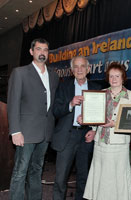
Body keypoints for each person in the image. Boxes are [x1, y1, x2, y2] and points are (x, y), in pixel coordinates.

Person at [7, 38, 59, 200]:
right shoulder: (20, 73)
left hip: (45, 132)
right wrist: (15, 131)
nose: (42, 53)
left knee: (37, 169)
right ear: (31, 52)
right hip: (25, 132)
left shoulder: (54, 75)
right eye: (38, 49)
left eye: (45, 50)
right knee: (20, 171)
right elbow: (13, 103)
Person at [80, 62, 131, 200]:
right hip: (101, 143)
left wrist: (114, 124)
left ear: (123, 78)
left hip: (119, 144)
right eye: (111, 76)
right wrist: (87, 121)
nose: (114, 79)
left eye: (117, 76)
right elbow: (94, 117)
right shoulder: (101, 94)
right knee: (100, 178)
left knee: (117, 179)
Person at [51, 56, 101, 200]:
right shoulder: (64, 86)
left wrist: (93, 129)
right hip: (68, 135)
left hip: (86, 136)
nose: (80, 69)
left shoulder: (96, 89)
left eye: (83, 66)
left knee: (83, 177)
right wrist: (71, 104)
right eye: (76, 67)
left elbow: (100, 114)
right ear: (72, 70)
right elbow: (56, 111)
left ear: (89, 69)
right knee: (61, 178)